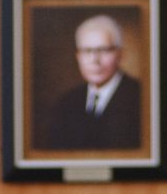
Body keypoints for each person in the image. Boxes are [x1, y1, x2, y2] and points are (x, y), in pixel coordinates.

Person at [33, 13, 144, 151]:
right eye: (87, 51)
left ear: (119, 54)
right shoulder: (66, 103)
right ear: (78, 57)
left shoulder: (142, 99)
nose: (94, 60)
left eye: (103, 50)